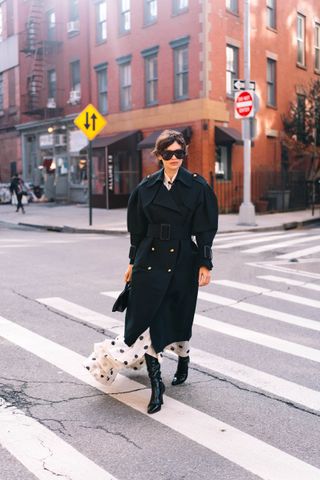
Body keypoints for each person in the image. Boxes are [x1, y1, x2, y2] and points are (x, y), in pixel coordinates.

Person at [84, 129, 218, 414]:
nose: (174, 159)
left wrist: (205, 263)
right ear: (158, 156)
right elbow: (137, 231)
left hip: (183, 259)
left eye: (179, 153)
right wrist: (132, 263)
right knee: (147, 320)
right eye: (168, 154)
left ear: (184, 154)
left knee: (178, 315)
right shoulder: (145, 188)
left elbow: (206, 228)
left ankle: (183, 358)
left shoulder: (197, 187)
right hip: (150, 260)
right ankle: (157, 384)